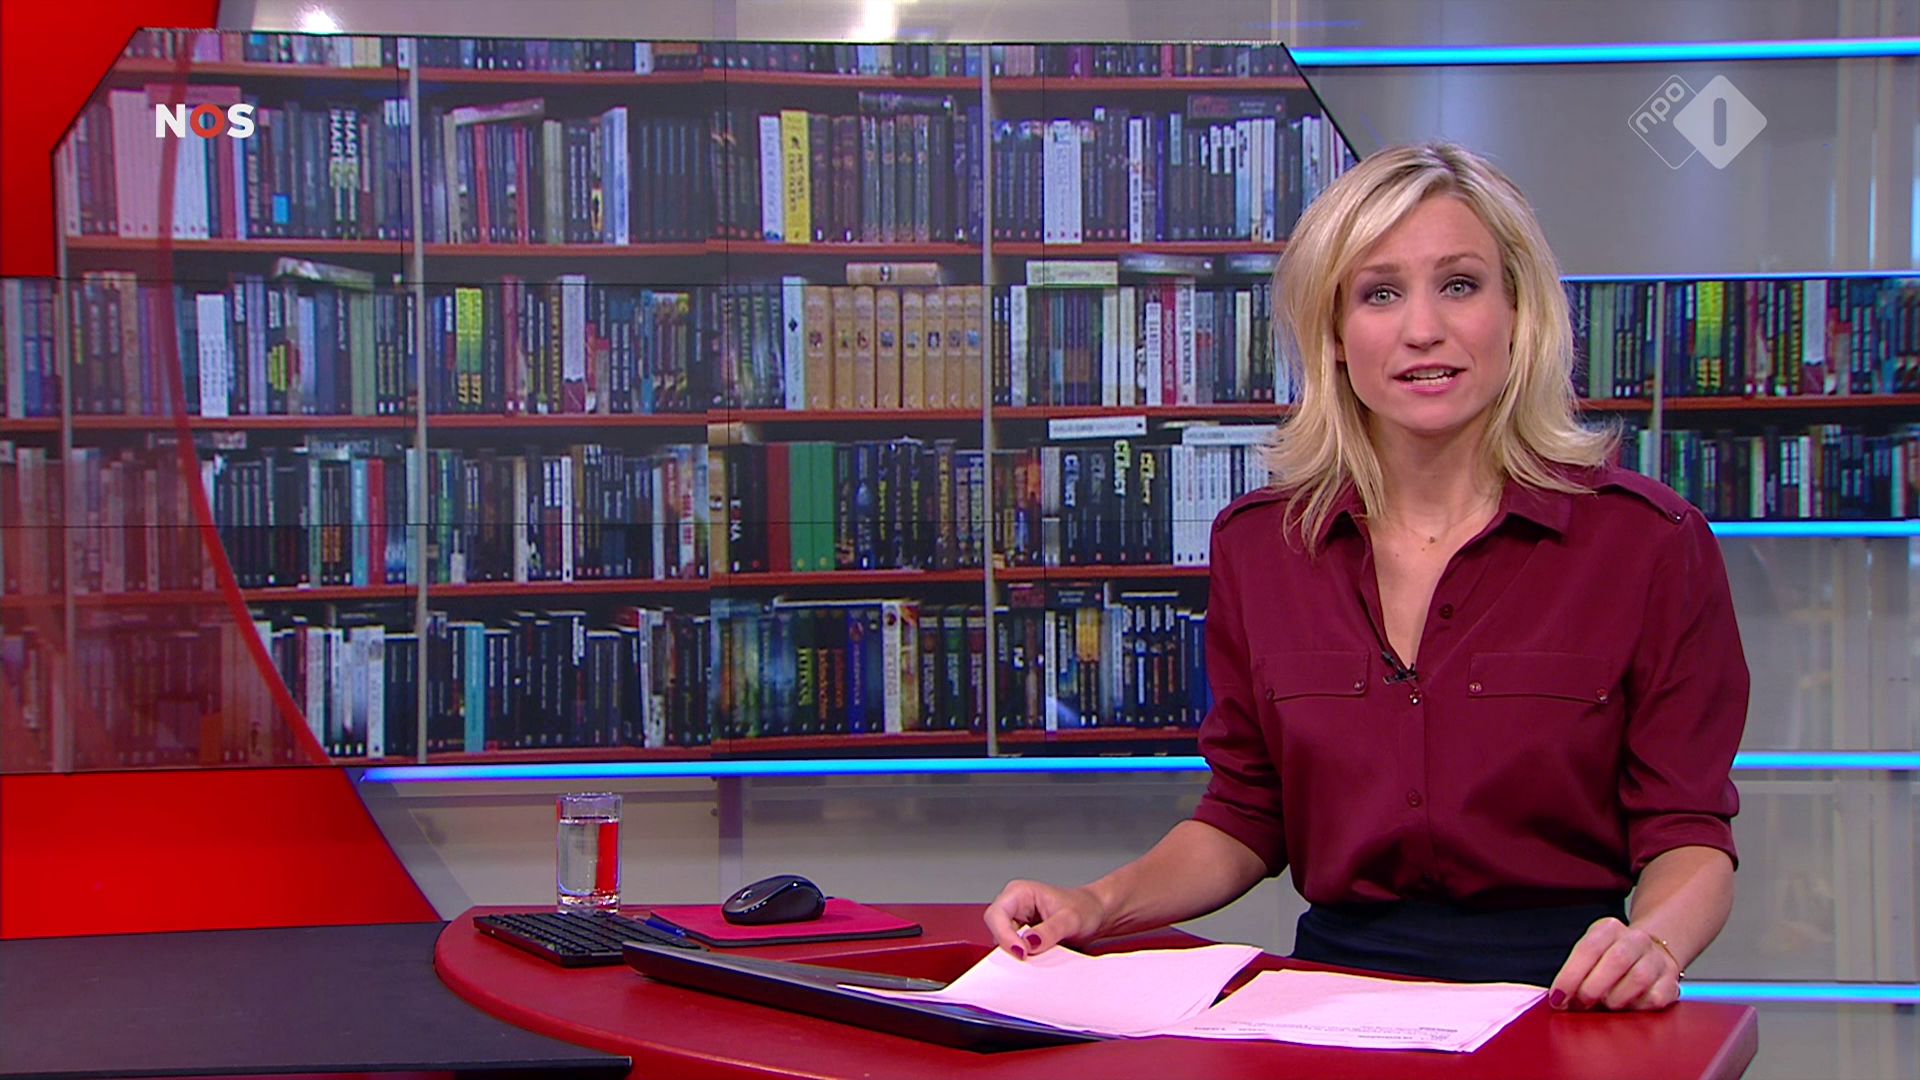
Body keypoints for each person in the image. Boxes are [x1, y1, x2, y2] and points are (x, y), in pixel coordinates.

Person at [984, 141, 1748, 1013]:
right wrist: (1094, 904)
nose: (1424, 328)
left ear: (1517, 312)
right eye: (1380, 294)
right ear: (1337, 335)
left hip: (1562, 998)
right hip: (1331, 1008)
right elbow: (1246, 814)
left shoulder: (1648, 544)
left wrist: (1653, 942)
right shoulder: (1263, 545)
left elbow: (1689, 834)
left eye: (1459, 285)